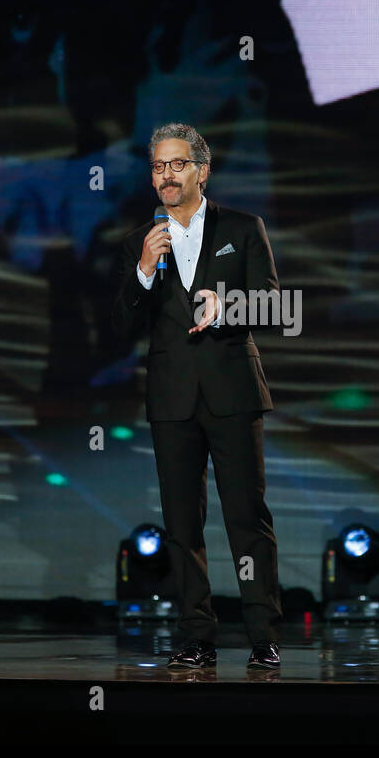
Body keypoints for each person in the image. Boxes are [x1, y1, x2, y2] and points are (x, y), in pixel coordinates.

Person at [111, 123, 284, 671]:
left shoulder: (242, 227)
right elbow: (122, 324)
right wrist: (142, 271)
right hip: (172, 398)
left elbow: (275, 307)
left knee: (246, 518)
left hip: (232, 391)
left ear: (201, 170)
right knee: (181, 523)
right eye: (158, 167)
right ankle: (196, 634)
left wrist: (227, 303)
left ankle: (262, 635)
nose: (166, 175)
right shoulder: (141, 240)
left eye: (177, 164)